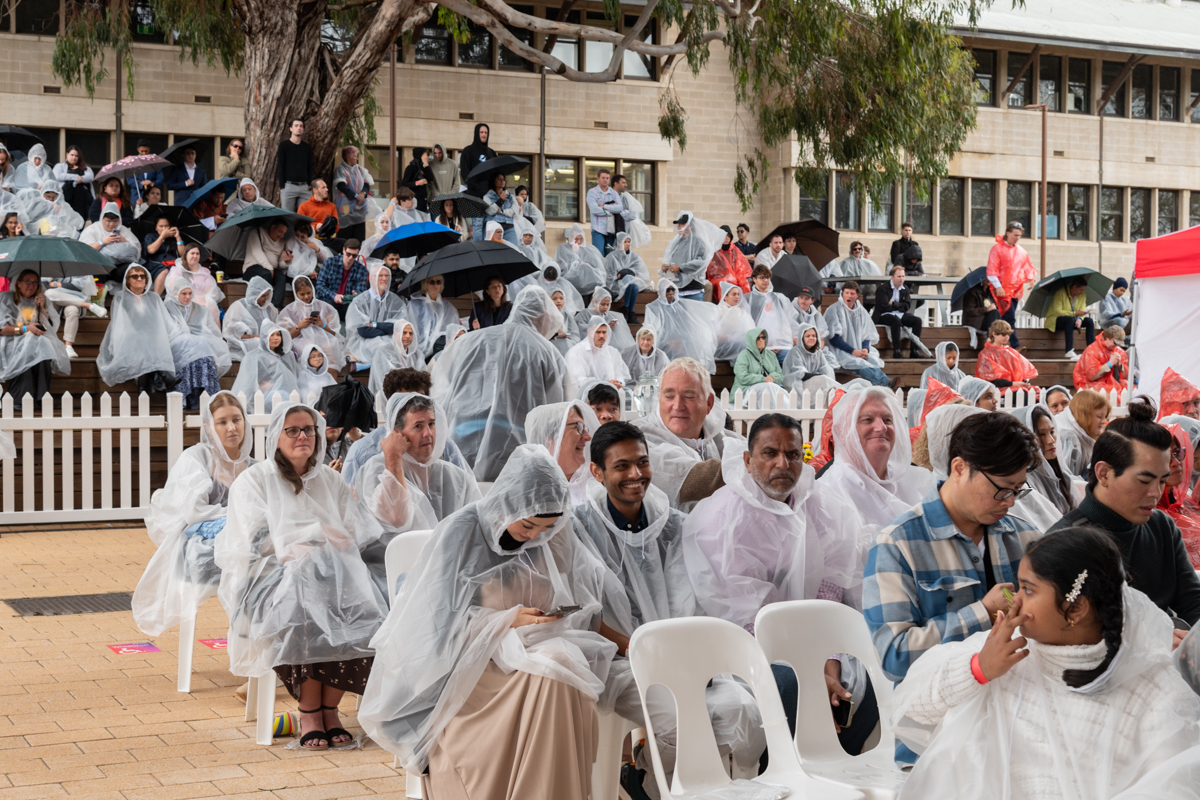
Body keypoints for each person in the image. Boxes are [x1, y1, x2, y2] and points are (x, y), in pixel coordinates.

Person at [359, 443, 613, 799]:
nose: (535, 536)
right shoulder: (460, 532)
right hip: (464, 672)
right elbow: (428, 628)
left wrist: (545, 617)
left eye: (547, 528)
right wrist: (505, 621)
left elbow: (572, 595)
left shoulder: (549, 535)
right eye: (528, 526)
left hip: (530, 653)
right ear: (511, 504)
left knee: (564, 668)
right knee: (557, 671)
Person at [893, 526, 1200, 798]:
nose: (1014, 600)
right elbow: (910, 709)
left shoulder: (1152, 686)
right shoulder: (1005, 654)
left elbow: (1172, 785)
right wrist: (978, 670)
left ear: (1076, 607)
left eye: (1028, 589)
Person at [569, 422, 764, 799]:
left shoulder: (674, 525)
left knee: (741, 709)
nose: (636, 474)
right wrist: (644, 652)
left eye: (642, 463)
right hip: (622, 661)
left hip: (685, 656)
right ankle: (659, 788)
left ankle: (671, 780)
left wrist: (692, 655)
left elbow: (703, 599)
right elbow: (587, 614)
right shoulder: (580, 530)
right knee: (678, 716)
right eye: (622, 466)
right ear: (597, 472)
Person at [684, 415, 876, 754]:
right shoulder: (723, 520)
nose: (782, 464)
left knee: (872, 675)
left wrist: (826, 661)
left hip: (818, 640)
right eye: (769, 453)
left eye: (792, 454)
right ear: (747, 460)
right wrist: (805, 668)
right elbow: (747, 617)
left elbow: (831, 593)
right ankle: (785, 776)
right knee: (789, 685)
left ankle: (840, 768)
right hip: (746, 646)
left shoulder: (823, 506)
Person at [863, 411, 1041, 760]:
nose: (1009, 502)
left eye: (1018, 490)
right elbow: (894, 656)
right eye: (1001, 490)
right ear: (959, 468)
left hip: (1021, 733)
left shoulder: (1026, 537)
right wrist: (982, 614)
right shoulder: (897, 545)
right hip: (935, 742)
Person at [217, 402, 391, 750]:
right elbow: (251, 539)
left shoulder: (329, 478)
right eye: (292, 430)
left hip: (333, 576)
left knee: (365, 606)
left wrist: (318, 539)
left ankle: (331, 707)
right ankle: (309, 710)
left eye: (308, 429)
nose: (302, 437)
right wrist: (312, 536)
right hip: (270, 578)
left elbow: (353, 531)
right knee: (304, 599)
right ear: (276, 437)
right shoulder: (255, 480)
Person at [1048, 399, 1200, 628]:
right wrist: (1151, 639)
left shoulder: (1161, 527)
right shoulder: (1064, 543)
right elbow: (1065, 631)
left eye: (1162, 481)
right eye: (1144, 480)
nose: (1155, 493)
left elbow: (1193, 602)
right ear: (1104, 473)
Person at [132, 391, 254, 638]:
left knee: (270, 568)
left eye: (236, 419)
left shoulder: (254, 467)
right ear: (209, 428)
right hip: (200, 551)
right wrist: (237, 518)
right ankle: (249, 645)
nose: (231, 428)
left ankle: (261, 649)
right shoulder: (197, 458)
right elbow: (192, 511)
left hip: (243, 548)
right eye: (222, 422)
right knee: (253, 569)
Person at [432, 286, 573, 480]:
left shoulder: (471, 341)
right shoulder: (547, 352)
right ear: (541, 316)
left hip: (462, 442)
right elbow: (559, 409)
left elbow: (441, 387)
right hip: (516, 451)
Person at [630, 358, 737, 511]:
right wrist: (756, 464)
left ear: (709, 403)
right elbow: (690, 480)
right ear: (659, 400)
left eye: (689, 396)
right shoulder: (638, 438)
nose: (678, 405)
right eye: (669, 396)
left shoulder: (719, 436)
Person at [97, 265, 178, 394]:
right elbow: (120, 323)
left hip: (151, 338)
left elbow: (162, 320)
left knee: (147, 342)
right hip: (128, 336)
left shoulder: (154, 297)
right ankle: (165, 375)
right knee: (142, 341)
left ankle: (142, 389)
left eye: (142, 276)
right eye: (135, 276)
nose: (139, 279)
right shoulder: (120, 297)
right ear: (127, 280)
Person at [0, 269, 71, 398]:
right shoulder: (5, 297)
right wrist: (26, 329)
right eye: (27, 281)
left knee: (41, 344)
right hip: (10, 339)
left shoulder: (39, 300)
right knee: (28, 346)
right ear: (18, 283)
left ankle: (43, 396)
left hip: (35, 340)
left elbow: (51, 327)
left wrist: (42, 309)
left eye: (35, 282)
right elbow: (2, 329)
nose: (31, 285)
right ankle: (20, 397)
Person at [163, 276, 226, 407]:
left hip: (197, 344)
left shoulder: (200, 309)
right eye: (183, 293)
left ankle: (203, 396)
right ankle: (186, 396)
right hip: (174, 345)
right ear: (176, 293)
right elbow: (167, 330)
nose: (187, 297)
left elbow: (211, 331)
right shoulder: (167, 307)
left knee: (200, 346)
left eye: (190, 293)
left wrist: (195, 338)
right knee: (194, 345)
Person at [524, 400, 598, 503]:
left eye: (585, 428)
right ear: (550, 435)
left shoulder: (596, 478)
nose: (588, 437)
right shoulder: (527, 491)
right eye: (579, 427)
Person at [824, 281, 890, 387]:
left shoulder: (861, 311)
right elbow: (833, 338)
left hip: (859, 349)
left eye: (852, 293)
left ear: (857, 296)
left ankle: (884, 383)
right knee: (858, 363)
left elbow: (867, 333)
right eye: (847, 293)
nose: (849, 296)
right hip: (840, 349)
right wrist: (853, 351)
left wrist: (865, 349)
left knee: (871, 359)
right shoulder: (834, 310)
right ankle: (885, 383)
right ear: (842, 294)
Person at [643, 282, 720, 372]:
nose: (671, 292)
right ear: (660, 292)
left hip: (680, 343)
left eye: (673, 290)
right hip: (661, 343)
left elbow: (686, 327)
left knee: (700, 340)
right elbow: (652, 330)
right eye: (668, 290)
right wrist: (667, 342)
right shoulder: (653, 308)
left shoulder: (681, 307)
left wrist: (682, 340)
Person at [341, 262, 403, 365]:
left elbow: (399, 326)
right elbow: (363, 330)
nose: (384, 278)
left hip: (391, 338)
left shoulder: (396, 301)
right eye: (380, 275)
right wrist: (387, 330)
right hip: (364, 341)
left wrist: (375, 324)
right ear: (372, 278)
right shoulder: (359, 301)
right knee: (383, 348)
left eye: (386, 275)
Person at [986, 221, 1035, 348]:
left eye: (1019, 235)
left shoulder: (1020, 251)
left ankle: (1003, 344)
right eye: (1015, 235)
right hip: (1002, 289)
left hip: (1014, 289)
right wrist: (998, 286)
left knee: (1006, 318)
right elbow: (992, 269)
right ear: (1007, 233)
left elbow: (1026, 265)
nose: (1017, 238)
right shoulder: (997, 249)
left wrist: (1031, 279)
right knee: (1009, 318)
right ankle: (1014, 345)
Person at [230, 322, 299, 410]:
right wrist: (264, 386)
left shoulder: (288, 356)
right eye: (271, 335)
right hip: (262, 397)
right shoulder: (253, 357)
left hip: (286, 395)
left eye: (278, 334)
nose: (275, 338)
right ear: (264, 337)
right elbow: (248, 383)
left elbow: (293, 379)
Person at [279, 275, 344, 367]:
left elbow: (335, 334)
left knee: (331, 345)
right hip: (300, 341)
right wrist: (299, 326)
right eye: (302, 294)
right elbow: (285, 338)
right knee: (308, 346)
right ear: (296, 293)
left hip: (324, 338)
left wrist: (322, 325)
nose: (306, 296)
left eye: (309, 293)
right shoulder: (288, 311)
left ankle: (331, 379)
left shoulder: (325, 307)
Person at [660, 211, 724, 300]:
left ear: (690, 226)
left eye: (682, 224)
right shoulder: (675, 243)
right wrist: (664, 269)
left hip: (694, 290)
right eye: (678, 224)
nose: (679, 226)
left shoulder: (699, 242)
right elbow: (670, 261)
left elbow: (701, 263)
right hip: (678, 290)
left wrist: (680, 267)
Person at [1055, 388, 1110, 479]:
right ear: (1084, 416)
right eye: (1099, 416)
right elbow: (1066, 479)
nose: (1104, 421)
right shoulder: (1067, 437)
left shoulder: (1082, 433)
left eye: (1105, 417)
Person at [566, 316, 631, 390]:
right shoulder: (576, 352)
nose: (601, 336)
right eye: (597, 332)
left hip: (612, 393)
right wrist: (606, 384)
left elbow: (620, 376)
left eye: (604, 332)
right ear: (589, 333)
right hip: (587, 395)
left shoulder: (613, 352)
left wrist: (617, 383)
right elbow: (579, 380)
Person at [742, 265, 795, 357]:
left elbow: (788, 322)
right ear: (754, 279)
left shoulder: (779, 298)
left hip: (781, 346)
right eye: (762, 277)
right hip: (759, 347)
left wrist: (780, 342)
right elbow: (746, 326)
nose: (766, 280)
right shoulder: (747, 299)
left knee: (791, 362)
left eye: (767, 277)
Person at [166, 243, 223, 326]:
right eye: (192, 253)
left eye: (197, 253)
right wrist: (192, 299)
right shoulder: (177, 270)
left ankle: (215, 336)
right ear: (186, 255)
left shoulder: (205, 272)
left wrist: (201, 300)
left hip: (203, 302)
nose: (195, 256)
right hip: (182, 301)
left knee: (212, 306)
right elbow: (173, 289)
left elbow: (211, 290)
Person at [318, 236, 372, 324]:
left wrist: (356, 295)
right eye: (348, 254)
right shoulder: (330, 262)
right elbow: (320, 285)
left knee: (357, 312)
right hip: (328, 301)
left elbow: (361, 292)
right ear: (343, 250)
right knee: (328, 305)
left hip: (346, 304)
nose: (350, 258)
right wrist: (334, 296)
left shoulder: (362, 270)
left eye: (354, 256)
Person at [222, 276, 277, 361]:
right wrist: (254, 336)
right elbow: (231, 334)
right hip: (244, 344)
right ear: (254, 294)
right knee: (259, 343)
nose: (266, 299)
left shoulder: (269, 308)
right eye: (263, 296)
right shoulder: (238, 307)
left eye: (267, 295)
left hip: (267, 341)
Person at [873, 266, 923, 359]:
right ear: (892, 277)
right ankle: (897, 351)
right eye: (899, 276)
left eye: (903, 276)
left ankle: (914, 351)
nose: (901, 279)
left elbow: (907, 306)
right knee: (895, 320)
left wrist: (894, 304)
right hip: (883, 315)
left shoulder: (905, 289)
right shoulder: (883, 288)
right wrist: (899, 305)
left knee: (917, 321)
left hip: (900, 313)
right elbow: (883, 306)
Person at [242, 220, 294, 309]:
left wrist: (286, 262)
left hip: (271, 270)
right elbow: (257, 252)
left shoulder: (282, 242)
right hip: (252, 268)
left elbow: (280, 264)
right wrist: (269, 267)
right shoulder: (257, 232)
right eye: (280, 231)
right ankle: (262, 305)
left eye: (284, 233)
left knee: (281, 277)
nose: (281, 235)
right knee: (266, 274)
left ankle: (275, 307)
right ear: (272, 227)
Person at [975, 319, 1038, 392]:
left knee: (1037, 393)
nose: (1007, 337)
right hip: (996, 390)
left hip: (1015, 387)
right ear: (994, 334)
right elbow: (988, 380)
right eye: (1003, 334)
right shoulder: (985, 354)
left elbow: (1026, 371)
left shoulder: (1011, 351)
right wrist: (1014, 384)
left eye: (1008, 334)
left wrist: (1024, 383)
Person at [367, 320, 425, 396]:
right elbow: (381, 382)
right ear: (395, 334)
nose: (408, 336)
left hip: (413, 396)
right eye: (404, 332)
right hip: (389, 397)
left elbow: (423, 377)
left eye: (410, 333)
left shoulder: (417, 354)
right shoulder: (383, 352)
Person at [80, 202, 141, 274]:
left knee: (132, 271)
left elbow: (136, 249)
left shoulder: (123, 230)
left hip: (121, 266)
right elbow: (84, 250)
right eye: (108, 221)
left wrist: (125, 241)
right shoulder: (92, 229)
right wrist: (102, 242)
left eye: (115, 222)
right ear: (102, 219)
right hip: (99, 266)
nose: (111, 225)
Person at [407, 274, 459, 358]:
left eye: (439, 282)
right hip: (419, 348)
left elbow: (453, 328)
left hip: (441, 347)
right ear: (425, 284)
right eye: (432, 282)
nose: (436, 285)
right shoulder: (414, 305)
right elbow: (412, 328)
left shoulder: (447, 306)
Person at [732, 327, 788, 404]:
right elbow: (742, 377)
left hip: (770, 387)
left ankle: (788, 413)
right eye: (758, 338)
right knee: (768, 387)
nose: (761, 340)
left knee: (781, 391)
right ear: (751, 340)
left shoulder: (771, 355)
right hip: (747, 389)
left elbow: (780, 375)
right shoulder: (743, 355)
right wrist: (763, 379)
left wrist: (772, 377)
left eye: (763, 337)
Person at [603, 232, 649, 324]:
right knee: (630, 280)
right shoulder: (612, 256)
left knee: (633, 284)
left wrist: (625, 272)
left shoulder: (634, 256)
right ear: (619, 243)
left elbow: (638, 271)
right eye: (625, 242)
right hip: (616, 284)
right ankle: (630, 311)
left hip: (630, 283)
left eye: (629, 241)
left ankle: (627, 309)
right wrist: (621, 274)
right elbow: (609, 274)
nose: (628, 244)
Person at [1044, 276, 1094, 360]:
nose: (1082, 292)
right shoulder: (1060, 293)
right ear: (1074, 287)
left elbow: (1082, 310)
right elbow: (1058, 311)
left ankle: (1092, 349)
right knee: (1069, 319)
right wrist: (1075, 314)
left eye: (1083, 290)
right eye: (1080, 290)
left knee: (1089, 321)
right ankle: (1069, 350)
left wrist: (1079, 319)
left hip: (1072, 320)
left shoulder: (1082, 295)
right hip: (1056, 320)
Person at [781, 323, 839, 394]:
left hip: (812, 384)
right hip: (796, 385)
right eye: (808, 336)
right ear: (802, 338)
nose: (811, 338)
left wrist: (824, 378)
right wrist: (821, 377)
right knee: (824, 380)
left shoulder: (818, 353)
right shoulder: (795, 352)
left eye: (814, 336)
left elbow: (827, 371)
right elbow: (800, 374)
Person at [555, 223, 606, 296]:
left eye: (581, 239)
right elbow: (563, 267)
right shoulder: (563, 248)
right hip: (571, 279)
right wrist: (574, 255)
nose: (578, 242)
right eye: (576, 239)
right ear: (571, 237)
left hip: (587, 280)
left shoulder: (589, 249)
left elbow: (598, 266)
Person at [1073, 325, 1128, 393]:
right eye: (1115, 343)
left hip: (1112, 382)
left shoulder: (1119, 351)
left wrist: (1120, 365)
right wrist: (1110, 364)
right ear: (1107, 338)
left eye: (1119, 344)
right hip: (1089, 383)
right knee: (1110, 393)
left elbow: (1126, 375)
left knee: (1130, 388)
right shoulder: (1092, 350)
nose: (1116, 345)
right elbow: (1091, 376)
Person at [706, 225, 752, 301]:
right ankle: (724, 305)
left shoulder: (734, 250)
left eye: (729, 236)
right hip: (718, 279)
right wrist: (727, 276)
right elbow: (712, 271)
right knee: (723, 282)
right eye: (724, 236)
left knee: (744, 282)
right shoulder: (714, 250)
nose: (727, 238)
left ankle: (744, 305)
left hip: (733, 277)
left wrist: (739, 278)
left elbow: (740, 267)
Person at [277, 119, 313, 212]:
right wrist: (282, 187)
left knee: (304, 216)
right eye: (296, 126)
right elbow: (280, 165)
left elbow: (310, 166)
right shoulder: (284, 145)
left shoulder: (307, 147)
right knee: (287, 216)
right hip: (288, 186)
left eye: (301, 126)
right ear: (290, 128)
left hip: (305, 187)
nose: (299, 128)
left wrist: (309, 184)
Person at [585, 168, 625, 253]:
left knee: (610, 257)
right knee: (599, 256)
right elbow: (594, 209)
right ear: (598, 178)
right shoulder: (592, 192)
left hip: (611, 230)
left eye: (607, 178)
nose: (605, 180)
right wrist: (611, 212)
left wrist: (604, 206)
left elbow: (620, 208)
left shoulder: (613, 193)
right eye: (603, 178)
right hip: (598, 229)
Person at [714, 283, 755, 364]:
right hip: (724, 345)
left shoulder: (741, 311)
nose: (737, 297)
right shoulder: (718, 310)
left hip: (740, 343)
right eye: (734, 294)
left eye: (738, 294)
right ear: (725, 297)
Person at [53, 145, 94, 220]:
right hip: (66, 199)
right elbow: (58, 176)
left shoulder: (85, 168)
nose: (74, 157)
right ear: (67, 154)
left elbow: (90, 177)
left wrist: (79, 180)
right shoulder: (60, 166)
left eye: (76, 156)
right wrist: (75, 178)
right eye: (72, 155)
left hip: (82, 201)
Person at [126, 139, 165, 203]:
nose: (144, 154)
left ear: (149, 149)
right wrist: (141, 184)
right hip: (137, 197)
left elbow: (161, 179)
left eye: (146, 151)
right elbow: (129, 180)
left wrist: (151, 183)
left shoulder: (155, 163)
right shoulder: (132, 163)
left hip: (151, 198)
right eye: (142, 151)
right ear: (138, 149)